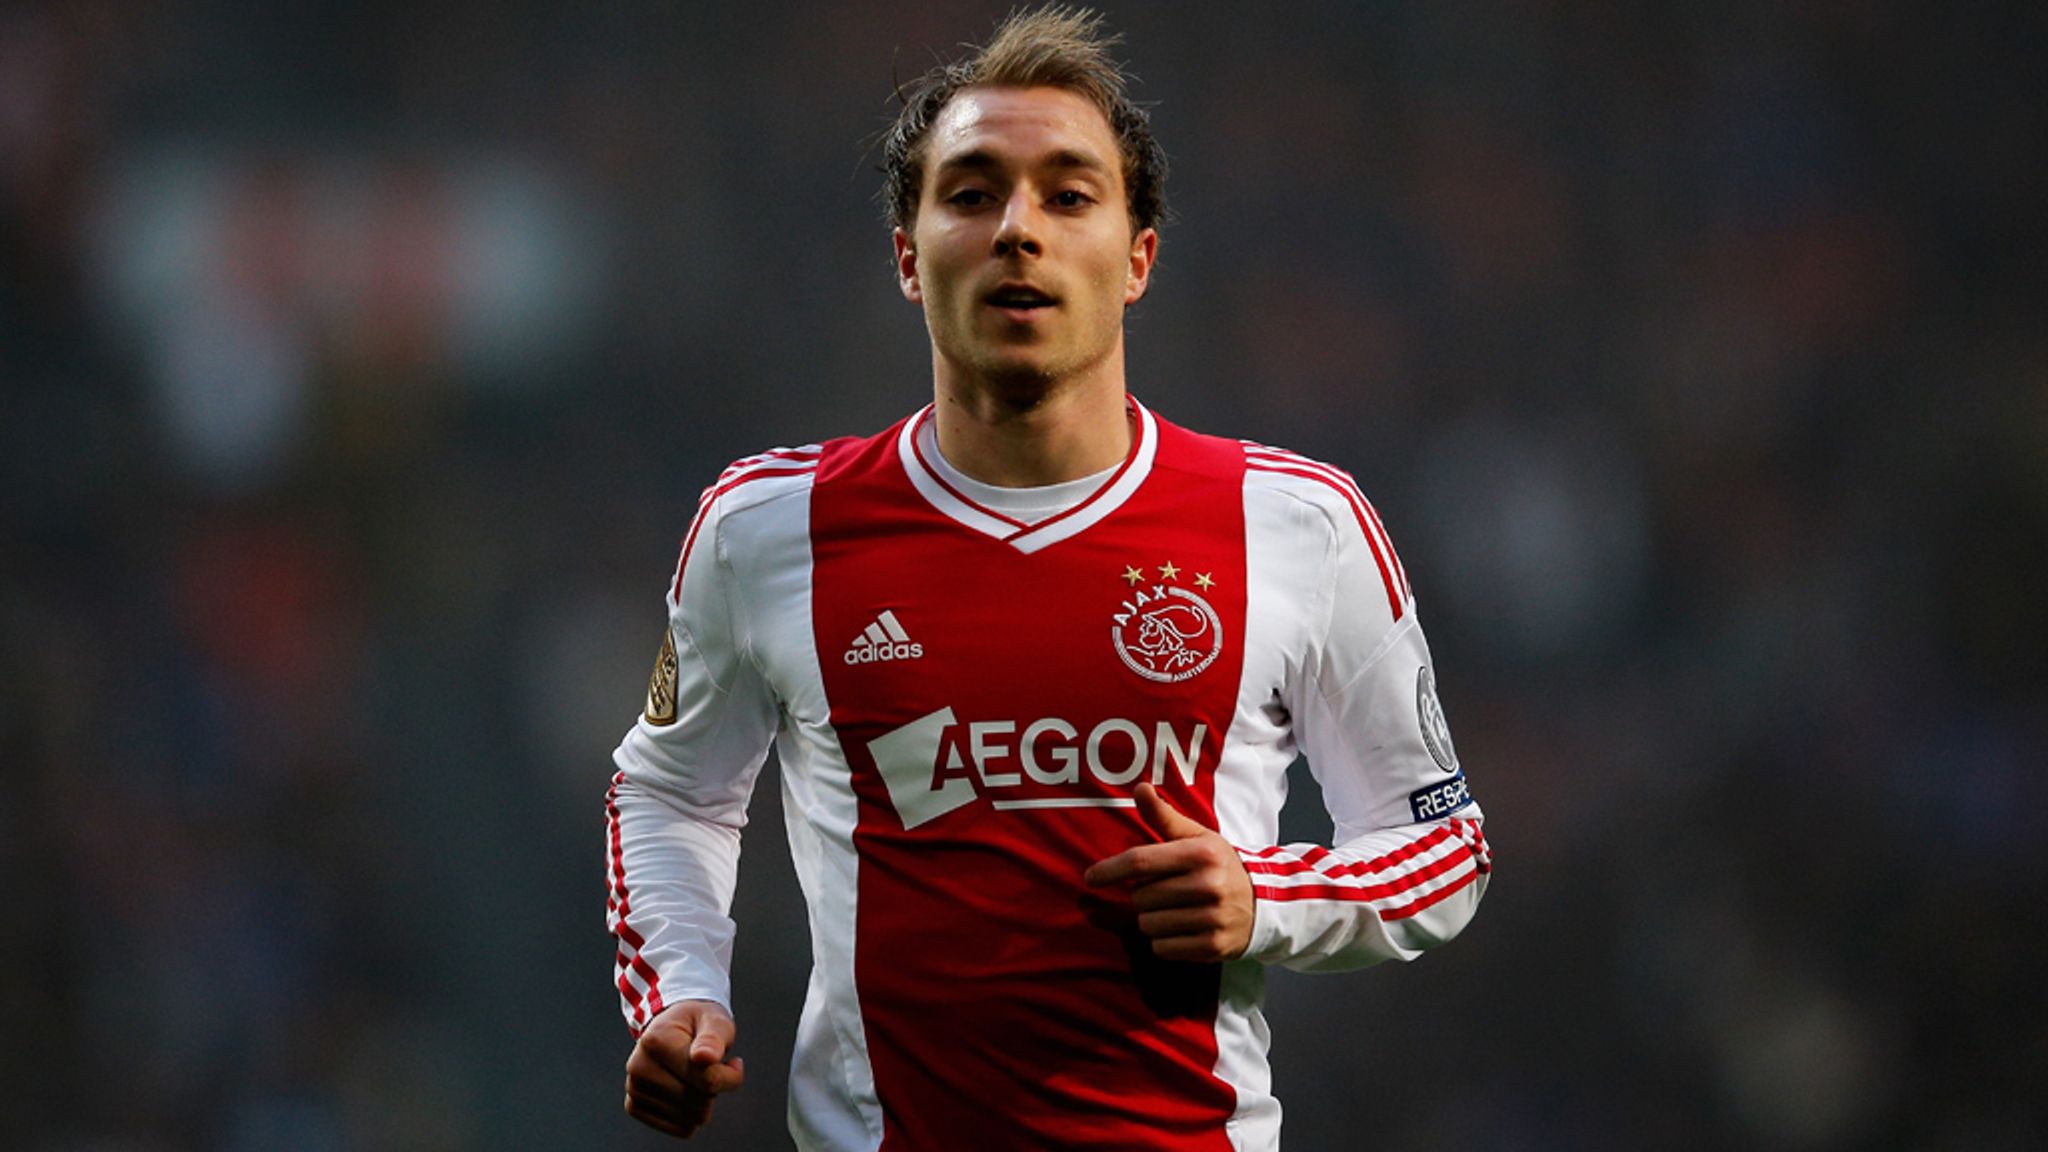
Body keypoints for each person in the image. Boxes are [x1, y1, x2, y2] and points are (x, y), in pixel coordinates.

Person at [606, 7, 1490, 1149]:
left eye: (1068, 196)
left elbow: (1441, 845)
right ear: (907, 255)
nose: (1018, 230)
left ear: (1137, 260)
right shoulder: (769, 529)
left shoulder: (1295, 523)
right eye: (972, 195)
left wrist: (1268, 898)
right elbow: (672, 791)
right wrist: (680, 988)